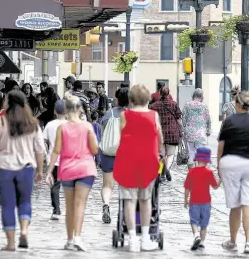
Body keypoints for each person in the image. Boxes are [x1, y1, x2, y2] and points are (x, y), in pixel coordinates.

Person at [0, 91, 45, 252]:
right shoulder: (32, 124)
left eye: (5, 100)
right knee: (25, 202)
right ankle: (24, 231)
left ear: (9, 103)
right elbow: (39, 149)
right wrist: (40, 170)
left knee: (8, 205)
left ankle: (10, 243)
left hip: (3, 168)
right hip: (26, 168)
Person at [45, 93, 98, 252]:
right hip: (85, 168)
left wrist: (49, 171)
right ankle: (78, 237)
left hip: (67, 168)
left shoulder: (62, 127)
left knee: (69, 206)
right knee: (80, 204)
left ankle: (69, 239)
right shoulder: (87, 126)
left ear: (66, 109)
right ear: (80, 109)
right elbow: (95, 149)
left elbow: (56, 151)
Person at [113, 85, 163, 252]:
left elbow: (122, 135)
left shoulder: (124, 115)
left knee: (129, 200)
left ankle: (133, 239)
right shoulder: (153, 115)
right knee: (146, 199)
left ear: (131, 100)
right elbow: (159, 138)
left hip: (128, 161)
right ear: (148, 99)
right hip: (148, 162)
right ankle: (146, 238)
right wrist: (159, 152)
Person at [217, 90, 249, 254]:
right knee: (248, 203)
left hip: (231, 163)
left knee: (235, 204)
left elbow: (221, 147)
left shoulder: (229, 121)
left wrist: (219, 167)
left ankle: (233, 241)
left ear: (237, 104)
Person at [99, 88, 129, 224]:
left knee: (107, 185)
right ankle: (124, 212)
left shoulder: (108, 114)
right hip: (125, 154)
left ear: (117, 98)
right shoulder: (131, 115)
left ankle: (106, 204)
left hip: (108, 152)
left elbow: (102, 134)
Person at [184, 147, 221, 251]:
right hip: (206, 202)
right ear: (207, 160)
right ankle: (202, 242)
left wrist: (185, 200)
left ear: (198, 159)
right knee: (204, 225)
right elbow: (215, 187)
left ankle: (196, 235)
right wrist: (221, 180)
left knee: (194, 221)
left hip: (194, 202)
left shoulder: (191, 172)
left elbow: (187, 187)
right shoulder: (209, 173)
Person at [43, 99, 67, 220]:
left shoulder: (50, 125)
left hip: (54, 160)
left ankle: (56, 210)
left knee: (55, 186)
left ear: (54, 111)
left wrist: (46, 153)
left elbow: (45, 142)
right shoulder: (71, 124)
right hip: (68, 160)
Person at [151, 86, 182, 181]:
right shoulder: (174, 104)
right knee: (171, 155)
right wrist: (181, 129)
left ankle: (160, 172)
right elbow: (179, 119)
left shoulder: (155, 105)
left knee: (161, 155)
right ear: (168, 94)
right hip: (172, 132)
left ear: (160, 93)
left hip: (159, 133)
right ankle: (167, 170)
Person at [182, 89, 211, 169]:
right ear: (202, 97)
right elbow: (208, 119)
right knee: (200, 155)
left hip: (189, 132)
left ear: (193, 96)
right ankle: (198, 176)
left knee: (191, 153)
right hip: (201, 133)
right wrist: (208, 130)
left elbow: (183, 119)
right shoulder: (204, 106)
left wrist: (183, 130)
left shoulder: (187, 105)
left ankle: (191, 175)